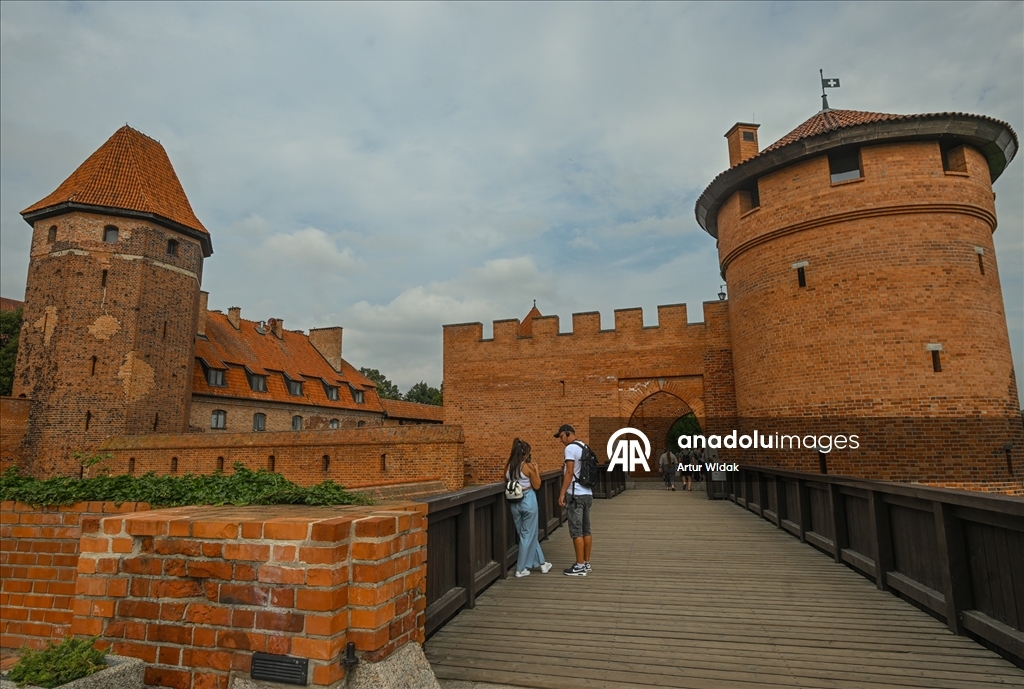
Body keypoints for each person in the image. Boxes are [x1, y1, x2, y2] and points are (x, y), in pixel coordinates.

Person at [505, 438, 552, 577]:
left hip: (514, 502)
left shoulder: (508, 467)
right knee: (528, 535)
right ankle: (520, 569)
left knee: (525, 535)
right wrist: (536, 470)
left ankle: (542, 564)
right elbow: (537, 485)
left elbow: (506, 480)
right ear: (525, 454)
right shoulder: (527, 467)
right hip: (528, 500)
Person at [555, 424, 592, 576]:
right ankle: (586, 563)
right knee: (586, 530)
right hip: (587, 493)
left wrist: (562, 493)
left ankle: (579, 566)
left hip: (575, 493)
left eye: (561, 436)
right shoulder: (584, 446)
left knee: (576, 531)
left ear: (567, 433)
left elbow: (570, 473)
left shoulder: (570, 448)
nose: (560, 440)